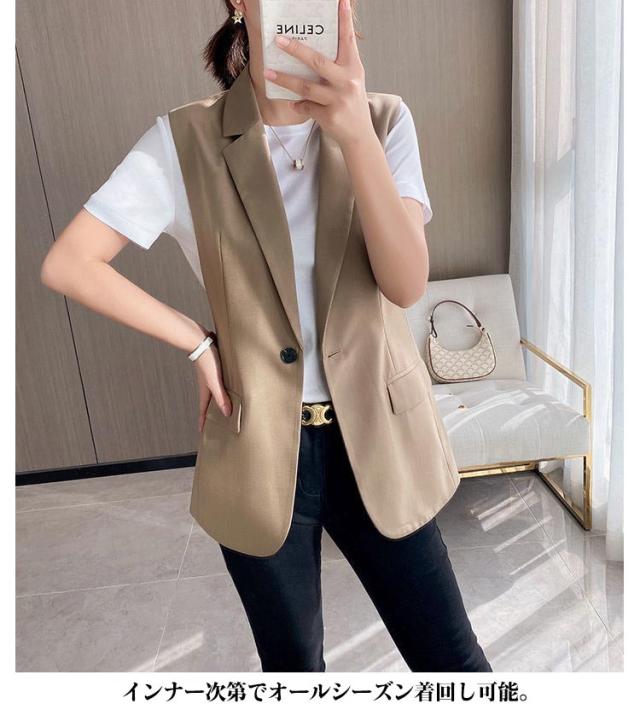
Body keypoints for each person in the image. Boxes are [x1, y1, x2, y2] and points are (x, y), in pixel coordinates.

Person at [41, 0, 492, 673]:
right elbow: (69, 263)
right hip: (259, 445)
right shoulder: (184, 140)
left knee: (452, 664)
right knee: (293, 670)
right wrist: (196, 340)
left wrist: (355, 137)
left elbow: (404, 285)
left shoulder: (384, 121)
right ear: (238, 3)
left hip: (380, 435)